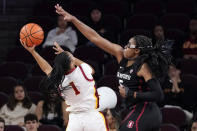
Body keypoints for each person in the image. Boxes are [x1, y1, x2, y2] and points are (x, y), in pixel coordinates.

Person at [55, 4, 171, 131]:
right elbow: (95, 37)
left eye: (129, 46)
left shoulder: (143, 67)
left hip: (148, 111)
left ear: (137, 51)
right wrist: (73, 20)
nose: (125, 47)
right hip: (134, 109)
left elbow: (159, 95)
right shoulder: (120, 54)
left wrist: (131, 93)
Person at [20, 39, 108, 131]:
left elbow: (46, 69)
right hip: (92, 116)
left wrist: (33, 52)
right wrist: (65, 53)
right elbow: (92, 70)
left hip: (75, 120)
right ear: (72, 62)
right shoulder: (83, 71)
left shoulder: (59, 80)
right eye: (72, 56)